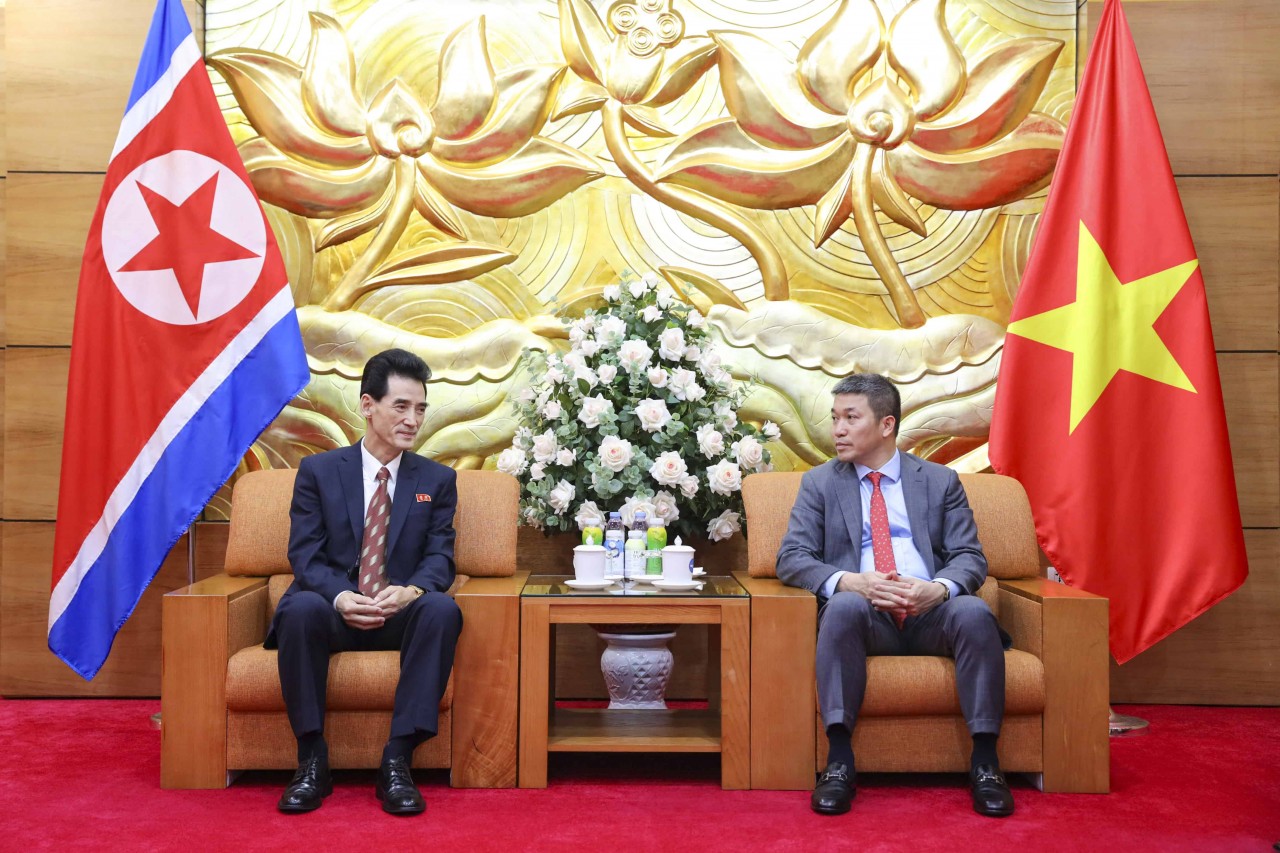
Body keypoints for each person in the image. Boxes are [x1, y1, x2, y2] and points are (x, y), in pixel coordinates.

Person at [777, 373, 1014, 818]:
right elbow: (791, 557)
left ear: (887, 425)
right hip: (867, 616)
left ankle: (985, 762)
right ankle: (839, 761)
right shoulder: (820, 483)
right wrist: (849, 581)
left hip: (931, 614)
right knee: (844, 604)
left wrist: (938, 589)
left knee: (974, 611)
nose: (838, 430)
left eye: (851, 417)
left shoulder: (941, 482)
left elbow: (969, 557)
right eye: (835, 418)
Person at [268, 348, 462, 815]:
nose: (413, 419)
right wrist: (340, 597)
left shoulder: (437, 480)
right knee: (298, 608)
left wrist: (410, 591)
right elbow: (305, 555)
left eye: (420, 409)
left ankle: (397, 760)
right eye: (401, 406)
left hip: (398, 612)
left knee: (441, 608)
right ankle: (312, 760)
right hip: (333, 614)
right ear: (367, 405)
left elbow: (440, 556)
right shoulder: (318, 472)